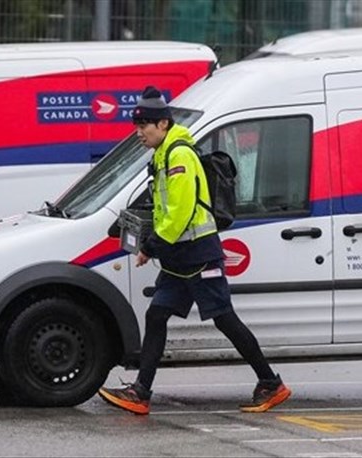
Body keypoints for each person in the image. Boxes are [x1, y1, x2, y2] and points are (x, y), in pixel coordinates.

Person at [98, 86, 291, 415]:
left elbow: (181, 212)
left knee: (224, 319)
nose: (139, 132)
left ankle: (271, 383)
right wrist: (143, 237)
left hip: (200, 256)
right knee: (156, 315)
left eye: (144, 125)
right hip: (178, 258)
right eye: (136, 126)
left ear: (163, 124)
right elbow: (164, 209)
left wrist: (151, 246)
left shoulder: (179, 156)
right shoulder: (162, 155)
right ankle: (140, 392)